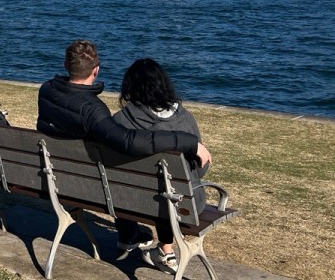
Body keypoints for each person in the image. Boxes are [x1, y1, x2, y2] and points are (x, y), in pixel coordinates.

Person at [36, 41, 211, 262]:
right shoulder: (93, 110)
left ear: (65, 64)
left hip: (66, 178)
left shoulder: (47, 91)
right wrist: (188, 142)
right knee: (159, 186)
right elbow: (129, 142)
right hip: (174, 202)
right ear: (96, 69)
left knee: (121, 177)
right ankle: (164, 250)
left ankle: (129, 235)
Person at [112, 58, 209, 273]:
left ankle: (128, 236)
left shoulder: (120, 121)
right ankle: (166, 250)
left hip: (133, 198)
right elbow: (201, 169)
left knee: (127, 183)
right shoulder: (184, 120)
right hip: (185, 204)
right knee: (168, 190)